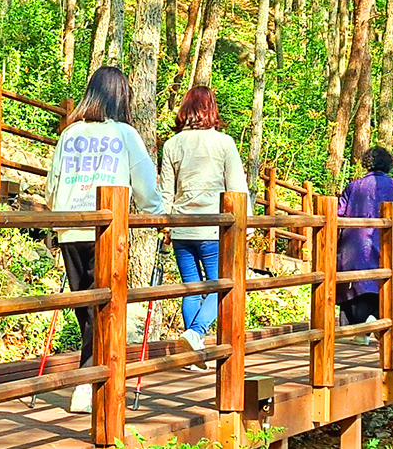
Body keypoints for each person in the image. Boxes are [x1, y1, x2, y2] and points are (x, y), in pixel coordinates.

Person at [45, 66, 163, 413]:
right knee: (104, 308)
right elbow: (145, 185)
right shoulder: (125, 134)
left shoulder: (70, 134)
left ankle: (90, 378)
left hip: (70, 228)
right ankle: (89, 384)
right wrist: (155, 212)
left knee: (86, 307)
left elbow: (53, 184)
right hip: (108, 232)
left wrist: (58, 209)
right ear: (121, 97)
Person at [159, 86, 250, 369]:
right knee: (220, 287)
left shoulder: (172, 145)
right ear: (211, 109)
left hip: (182, 229)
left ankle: (191, 351)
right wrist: (245, 223)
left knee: (191, 288)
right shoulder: (224, 143)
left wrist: (163, 223)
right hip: (214, 228)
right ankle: (195, 333)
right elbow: (237, 187)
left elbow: (165, 192)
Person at [336, 146, 393, 344]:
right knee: (380, 282)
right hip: (381, 243)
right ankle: (375, 325)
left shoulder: (354, 186)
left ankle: (359, 329)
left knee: (355, 282)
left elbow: (338, 212)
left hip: (353, 245)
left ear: (366, 163)